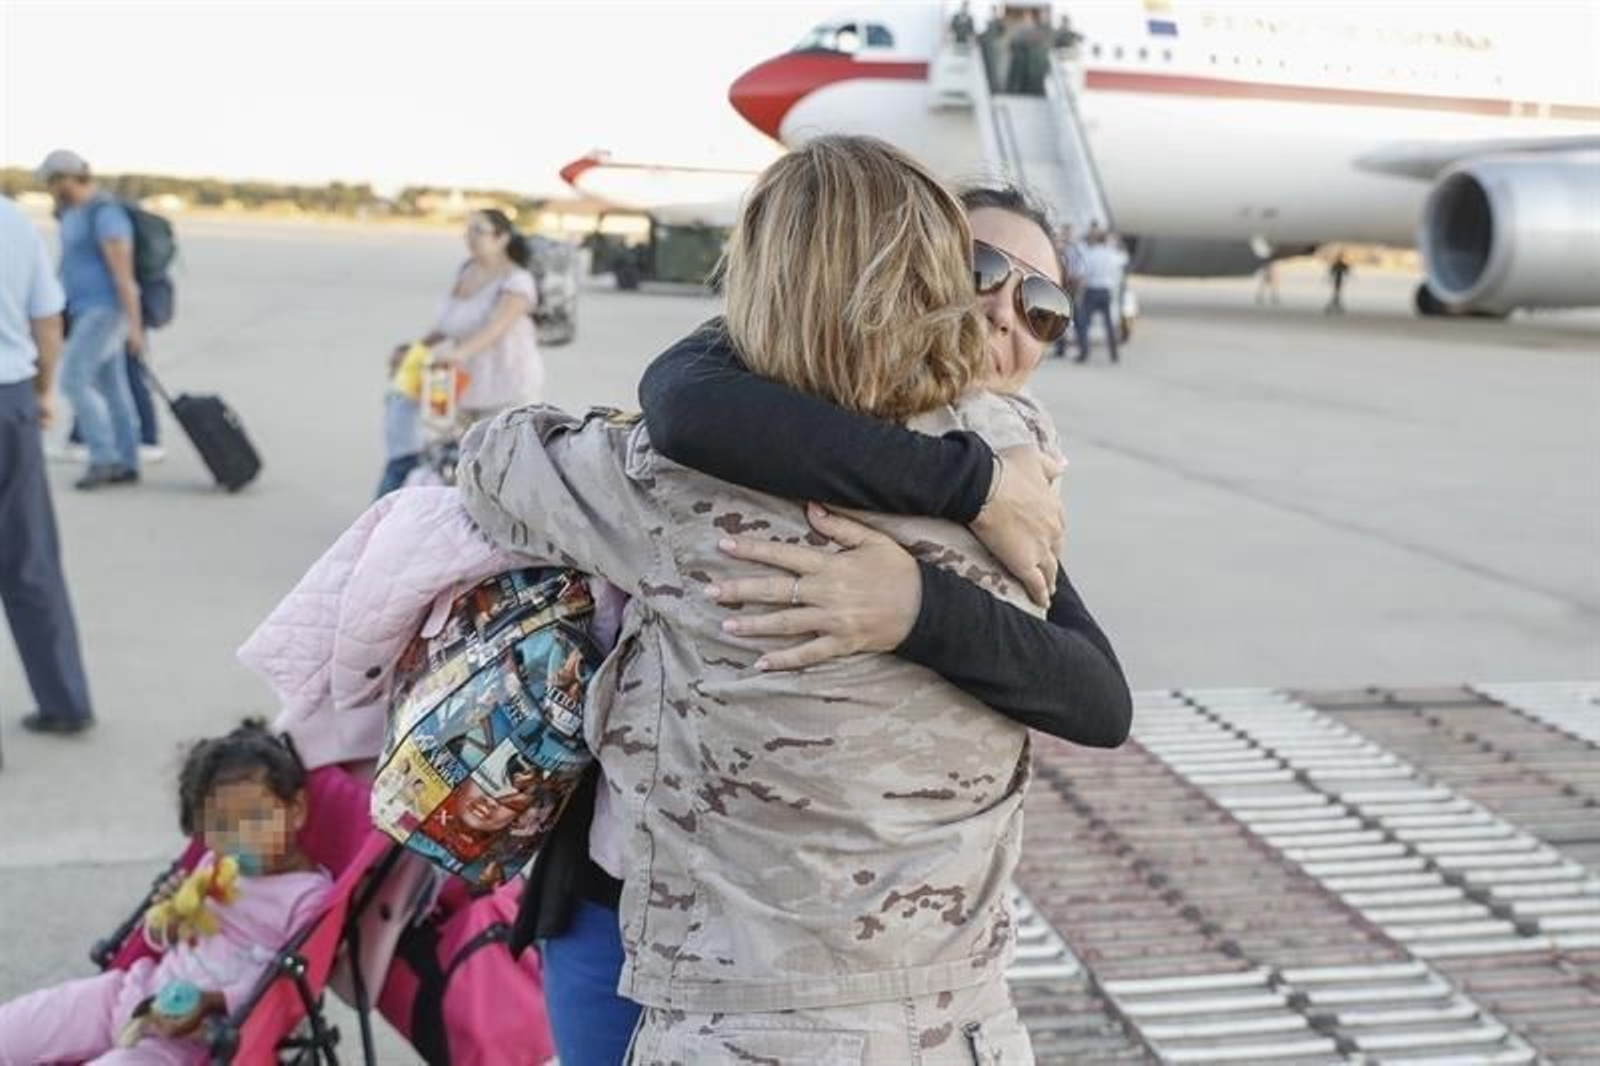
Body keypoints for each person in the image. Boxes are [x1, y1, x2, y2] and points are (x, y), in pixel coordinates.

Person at [461, 137, 1124, 1062]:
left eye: (1042, 306)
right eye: (977, 269)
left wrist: (916, 605)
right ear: (923, 276)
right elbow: (697, 405)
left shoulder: (673, 482)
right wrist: (954, 516)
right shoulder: (1010, 488)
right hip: (948, 1019)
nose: (1001, 312)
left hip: (740, 1010)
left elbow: (495, 459)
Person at [0, 722, 332, 1063]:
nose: (238, 838)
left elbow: (286, 993)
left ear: (296, 810)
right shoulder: (213, 862)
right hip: (135, 989)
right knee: (20, 1025)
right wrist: (169, 920)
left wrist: (211, 1002)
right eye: (220, 826)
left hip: (193, 1036)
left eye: (256, 819)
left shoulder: (307, 897)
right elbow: (167, 941)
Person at [0, 195, 95, 746]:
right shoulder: (13, 220)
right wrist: (40, 391)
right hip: (10, 401)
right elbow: (48, 322)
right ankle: (64, 698)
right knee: (29, 560)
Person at [379, 209, 543, 494]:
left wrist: (459, 354)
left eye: (478, 230)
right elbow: (449, 323)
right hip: (463, 385)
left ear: (502, 238)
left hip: (506, 385)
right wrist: (418, 348)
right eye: (467, 230)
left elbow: (497, 328)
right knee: (454, 459)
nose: (470, 237)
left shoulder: (517, 281)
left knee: (500, 466)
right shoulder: (467, 270)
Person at [36, 149, 146, 490]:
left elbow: (124, 276)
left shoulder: (105, 214)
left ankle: (104, 458)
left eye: (53, 181)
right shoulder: (73, 214)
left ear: (68, 177)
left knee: (72, 381)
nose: (50, 189)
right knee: (113, 388)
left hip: (104, 311)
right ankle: (127, 460)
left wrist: (135, 328)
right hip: (82, 310)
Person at [1075, 227, 1125, 363]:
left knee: (1084, 323)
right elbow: (1122, 263)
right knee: (1109, 325)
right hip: (1106, 292)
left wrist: (1079, 295)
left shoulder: (1089, 254)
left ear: (1095, 240)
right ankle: (1114, 354)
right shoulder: (1112, 254)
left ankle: (1084, 353)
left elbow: (1083, 277)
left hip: (1092, 291)